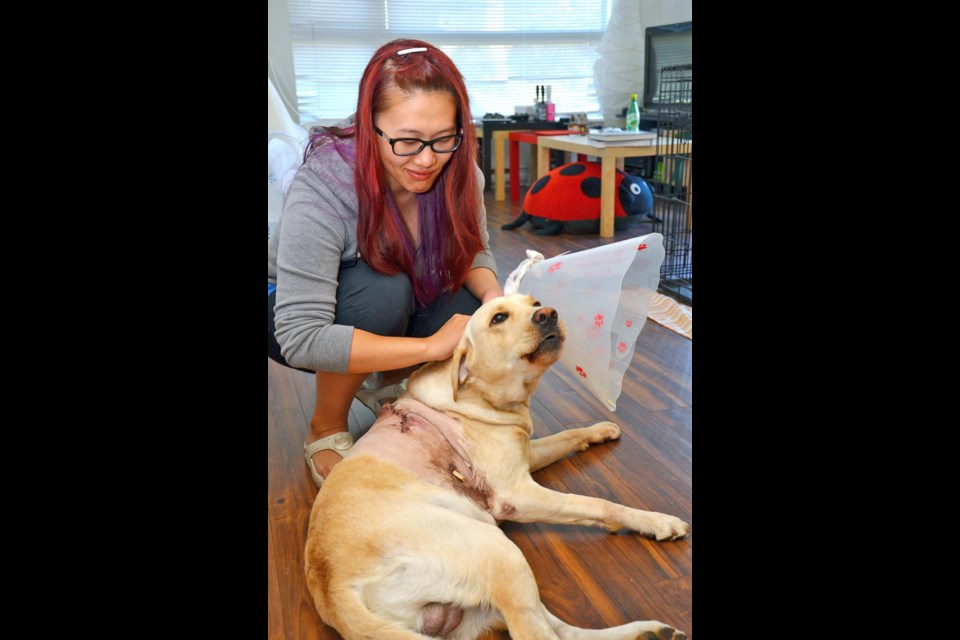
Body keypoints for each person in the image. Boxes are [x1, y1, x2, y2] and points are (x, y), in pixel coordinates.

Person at [268, 39, 503, 487]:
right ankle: (325, 425)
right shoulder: (324, 186)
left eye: (443, 139)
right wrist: (431, 349)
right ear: (368, 127)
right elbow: (299, 336)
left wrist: (494, 296)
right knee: (381, 290)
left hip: (383, 288)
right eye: (407, 141)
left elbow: (473, 249)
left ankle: (389, 385)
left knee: (469, 305)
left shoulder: (461, 172)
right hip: (289, 310)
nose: (427, 159)